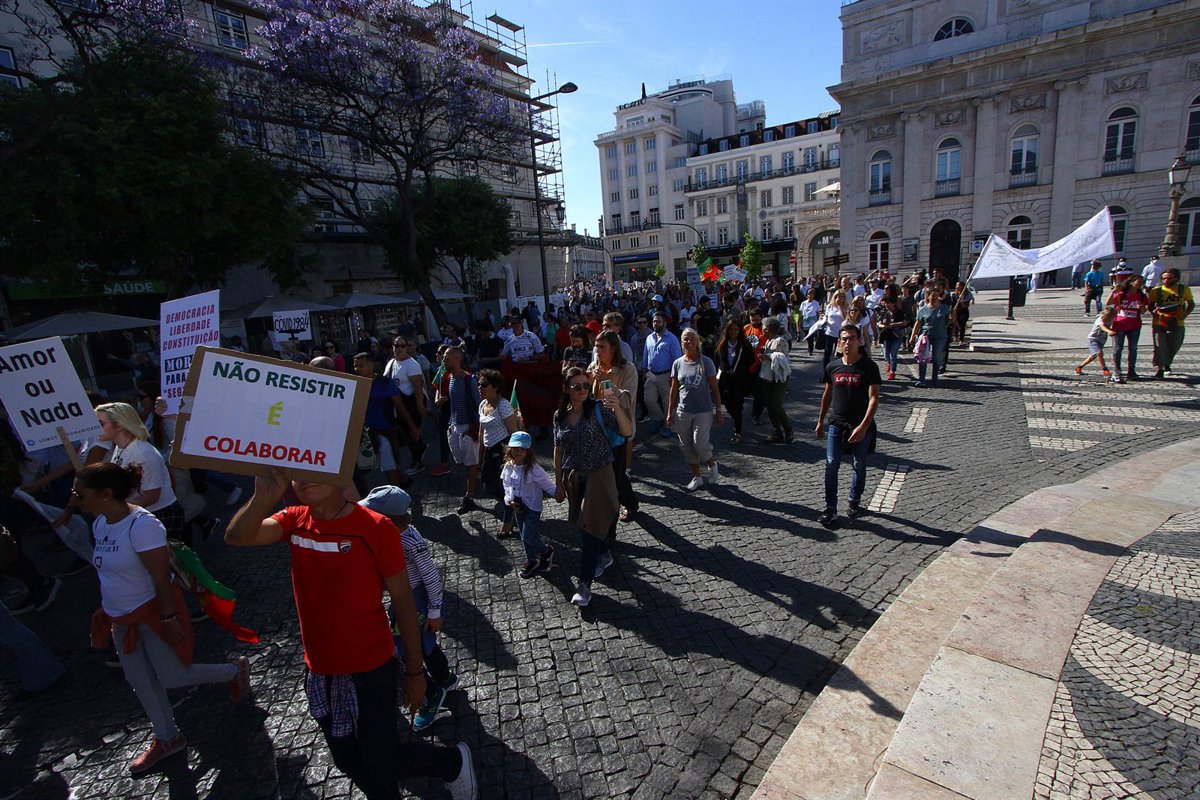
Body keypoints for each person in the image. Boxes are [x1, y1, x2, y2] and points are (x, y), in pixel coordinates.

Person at [226, 472, 477, 800]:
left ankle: (452, 762)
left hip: (372, 669)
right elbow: (237, 537)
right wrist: (262, 499)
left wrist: (415, 672)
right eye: (299, 473)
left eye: (317, 470)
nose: (307, 479)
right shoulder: (294, 520)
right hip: (321, 670)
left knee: (384, 761)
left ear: (340, 473)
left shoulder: (376, 527)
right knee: (347, 760)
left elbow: (403, 602)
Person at [76, 462, 251, 774]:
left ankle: (232, 671)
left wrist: (169, 618)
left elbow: (161, 578)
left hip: (153, 614)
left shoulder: (142, 525)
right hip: (121, 618)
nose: (75, 499)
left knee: (173, 677)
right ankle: (168, 738)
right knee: (139, 680)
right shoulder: (100, 523)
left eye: (80, 493)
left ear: (106, 494)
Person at [358, 486, 459, 733]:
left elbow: (431, 577)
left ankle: (430, 695)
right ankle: (445, 677)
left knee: (404, 650)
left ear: (387, 520)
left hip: (414, 602)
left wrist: (435, 611)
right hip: (402, 598)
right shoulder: (390, 536)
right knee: (424, 642)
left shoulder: (411, 542)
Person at [553, 368, 621, 608]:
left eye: (585, 385)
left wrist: (618, 407)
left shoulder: (598, 409)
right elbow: (558, 449)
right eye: (576, 386)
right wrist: (558, 482)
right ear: (566, 388)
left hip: (599, 476)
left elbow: (625, 430)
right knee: (587, 527)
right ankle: (605, 552)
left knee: (589, 531)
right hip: (575, 478)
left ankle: (584, 585)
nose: (582, 390)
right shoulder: (560, 415)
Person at [815, 326, 881, 528]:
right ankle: (830, 508)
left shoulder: (869, 367)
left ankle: (854, 499)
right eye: (844, 339)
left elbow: (874, 399)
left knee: (858, 464)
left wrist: (863, 427)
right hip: (837, 424)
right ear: (839, 342)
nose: (847, 342)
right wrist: (820, 421)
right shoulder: (832, 367)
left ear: (859, 341)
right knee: (831, 464)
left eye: (852, 338)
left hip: (861, 425)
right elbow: (827, 395)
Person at [94, 403, 187, 543]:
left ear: (119, 425)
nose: (95, 429)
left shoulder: (143, 453)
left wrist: (113, 507)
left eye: (100, 424)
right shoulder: (121, 447)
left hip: (160, 513)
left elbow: (151, 496)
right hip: (142, 513)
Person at [590, 330, 638, 522]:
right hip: (597, 427)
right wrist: (589, 381)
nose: (598, 351)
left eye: (602, 347)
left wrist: (606, 381)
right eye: (596, 346)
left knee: (617, 473)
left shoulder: (628, 369)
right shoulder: (594, 366)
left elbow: (627, 400)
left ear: (614, 349)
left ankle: (630, 503)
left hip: (618, 428)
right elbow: (590, 397)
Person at [667, 329, 723, 491]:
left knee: (700, 444)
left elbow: (714, 388)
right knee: (686, 446)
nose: (689, 342)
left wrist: (718, 410)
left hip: (703, 411)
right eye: (686, 339)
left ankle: (711, 463)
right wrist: (670, 411)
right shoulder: (677, 363)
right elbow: (674, 389)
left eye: (692, 338)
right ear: (681, 342)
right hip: (683, 411)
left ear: (697, 341)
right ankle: (697, 477)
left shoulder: (706, 362)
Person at [500, 431, 560, 579]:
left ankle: (546, 551)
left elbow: (547, 484)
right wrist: (509, 500)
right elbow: (506, 484)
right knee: (524, 535)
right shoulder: (508, 466)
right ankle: (531, 560)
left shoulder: (534, 468)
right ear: (510, 449)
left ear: (528, 451)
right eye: (515, 448)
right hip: (517, 506)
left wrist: (557, 494)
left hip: (532, 506)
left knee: (528, 535)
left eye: (522, 449)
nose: (518, 452)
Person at [475, 368, 520, 529]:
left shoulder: (503, 405)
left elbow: (514, 433)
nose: (480, 388)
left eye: (484, 385)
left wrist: (513, 457)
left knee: (503, 488)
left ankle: (508, 521)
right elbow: (481, 432)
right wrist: (479, 456)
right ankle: (514, 507)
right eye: (479, 384)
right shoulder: (482, 404)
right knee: (489, 487)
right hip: (489, 452)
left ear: (495, 387)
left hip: (502, 452)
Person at [443, 348, 481, 514]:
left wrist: (474, 429)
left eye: (447, 358)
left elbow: (479, 404)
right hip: (455, 426)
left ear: (457, 359)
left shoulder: (469, 379)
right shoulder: (450, 378)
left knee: (470, 463)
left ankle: (469, 496)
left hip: (468, 427)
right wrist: (451, 424)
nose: (443, 361)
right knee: (463, 462)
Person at [383, 337, 427, 474]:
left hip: (411, 403)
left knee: (413, 432)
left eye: (402, 345)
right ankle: (420, 448)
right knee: (406, 433)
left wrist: (420, 406)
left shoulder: (412, 365)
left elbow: (418, 386)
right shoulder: (391, 362)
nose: (399, 348)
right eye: (396, 345)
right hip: (397, 404)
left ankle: (418, 462)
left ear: (407, 347)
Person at [1148, 267, 1195, 378]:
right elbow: (1150, 305)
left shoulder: (1184, 289)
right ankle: (1160, 368)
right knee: (1159, 346)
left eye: (1169, 278)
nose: (1166, 281)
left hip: (1177, 322)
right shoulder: (1156, 290)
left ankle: (1167, 363)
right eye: (1163, 278)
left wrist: (1185, 314)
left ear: (1176, 278)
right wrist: (1154, 313)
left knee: (1174, 346)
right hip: (1160, 322)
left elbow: (1191, 304)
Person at [715, 318, 755, 445]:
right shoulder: (722, 344)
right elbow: (717, 359)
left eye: (736, 330)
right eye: (731, 329)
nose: (733, 332)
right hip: (725, 380)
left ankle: (738, 431)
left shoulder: (744, 345)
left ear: (739, 331)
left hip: (738, 381)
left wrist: (741, 370)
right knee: (727, 404)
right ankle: (736, 418)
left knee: (737, 406)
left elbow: (751, 359)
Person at [643, 311, 683, 436]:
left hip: (667, 375)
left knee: (668, 402)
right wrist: (644, 370)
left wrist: (675, 377)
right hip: (651, 374)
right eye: (654, 321)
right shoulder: (649, 337)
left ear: (665, 323)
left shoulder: (672, 339)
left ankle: (669, 426)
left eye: (658, 321)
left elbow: (677, 359)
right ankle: (658, 419)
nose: (655, 324)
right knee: (649, 400)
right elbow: (646, 355)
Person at [1106, 269, 1148, 382]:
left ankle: (1131, 371)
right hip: (1120, 324)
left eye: (1142, 282)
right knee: (1117, 349)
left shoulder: (1142, 296)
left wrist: (1142, 308)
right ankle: (1117, 370)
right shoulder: (1122, 294)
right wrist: (1114, 291)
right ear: (1131, 282)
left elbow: (1144, 311)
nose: (1140, 284)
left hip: (1135, 325)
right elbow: (1108, 303)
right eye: (1138, 282)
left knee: (1133, 349)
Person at [759, 318, 793, 444]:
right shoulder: (769, 341)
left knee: (776, 405)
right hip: (769, 377)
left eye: (763, 326)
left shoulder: (780, 341)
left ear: (767, 328)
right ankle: (776, 432)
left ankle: (788, 430)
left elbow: (782, 359)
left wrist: (767, 356)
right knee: (769, 405)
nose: (762, 328)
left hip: (780, 378)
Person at [908, 288, 951, 387]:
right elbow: (918, 324)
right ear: (928, 296)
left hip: (940, 336)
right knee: (923, 358)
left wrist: (952, 318)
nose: (935, 297)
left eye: (936, 295)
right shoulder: (923, 310)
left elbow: (950, 320)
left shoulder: (944, 308)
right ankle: (922, 380)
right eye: (933, 295)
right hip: (926, 336)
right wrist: (912, 337)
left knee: (936, 358)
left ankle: (935, 378)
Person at [1075, 307, 1117, 378]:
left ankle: (1079, 367)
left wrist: (1113, 330)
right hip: (1093, 339)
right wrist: (1109, 331)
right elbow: (1102, 326)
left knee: (1092, 356)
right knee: (1099, 353)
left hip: (1102, 340)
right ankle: (1105, 369)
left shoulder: (1111, 319)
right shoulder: (1100, 319)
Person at [820, 290, 849, 370]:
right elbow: (826, 317)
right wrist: (823, 320)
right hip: (830, 333)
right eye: (838, 297)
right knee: (827, 353)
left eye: (842, 297)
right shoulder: (830, 306)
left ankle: (837, 370)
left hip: (840, 334)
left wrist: (840, 307)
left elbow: (845, 319)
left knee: (838, 354)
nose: (840, 299)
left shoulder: (846, 307)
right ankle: (826, 371)